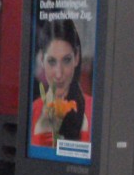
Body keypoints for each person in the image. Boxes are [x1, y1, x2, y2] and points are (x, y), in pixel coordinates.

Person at [31, 17, 91, 148]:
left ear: (77, 58)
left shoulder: (93, 110)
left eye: (66, 60)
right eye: (52, 61)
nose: (59, 74)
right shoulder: (33, 111)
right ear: (42, 60)